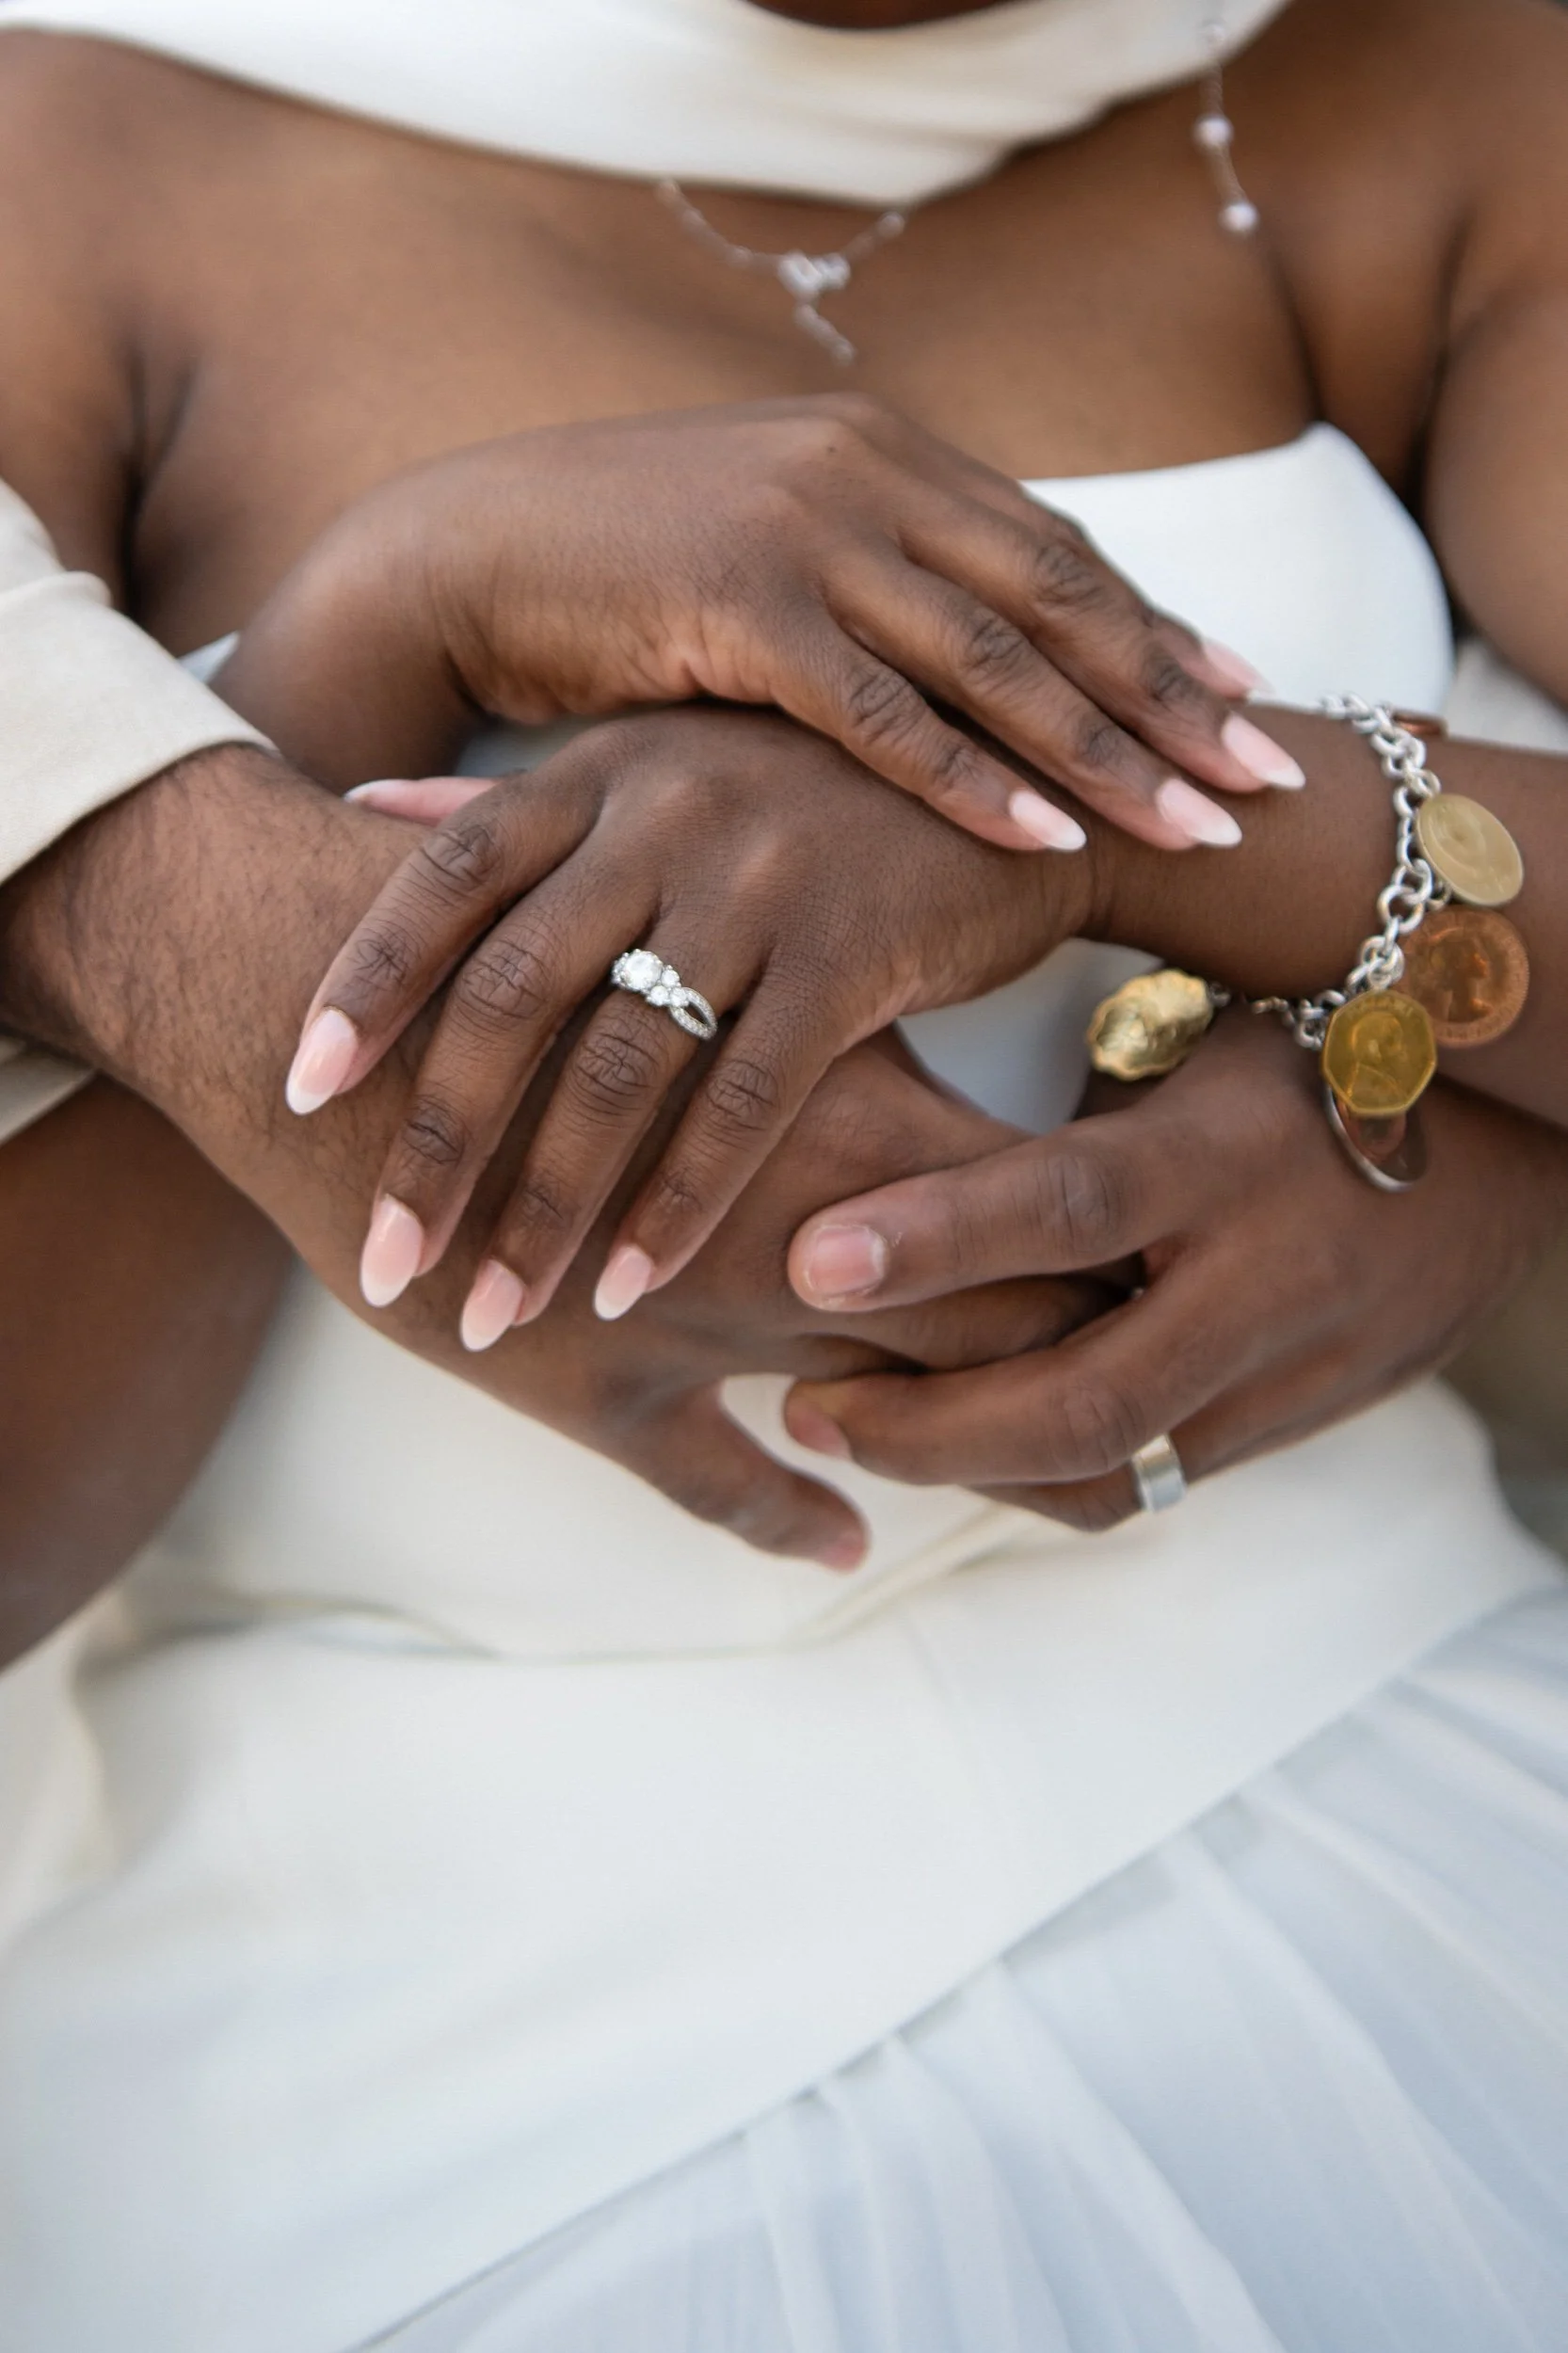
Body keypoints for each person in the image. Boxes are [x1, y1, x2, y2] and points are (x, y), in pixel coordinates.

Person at [0, 1, 1566, 2346]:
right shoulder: (81, 140)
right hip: (433, 2063)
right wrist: (361, 649)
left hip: (1404, 1784)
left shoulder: (1419, 82)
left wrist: (1213, 878)